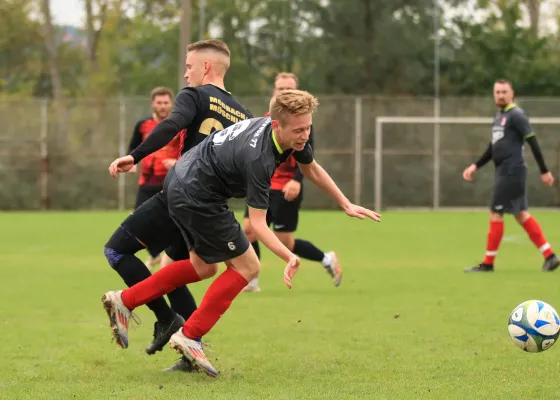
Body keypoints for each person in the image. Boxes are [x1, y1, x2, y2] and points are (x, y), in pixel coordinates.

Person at [101, 89, 381, 377]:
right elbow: (257, 225)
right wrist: (288, 256)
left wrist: (345, 203)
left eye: (308, 127)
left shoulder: (288, 135)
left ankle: (126, 300)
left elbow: (312, 169)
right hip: (198, 194)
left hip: (181, 183)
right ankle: (190, 336)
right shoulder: (259, 157)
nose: (305, 135)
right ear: (275, 124)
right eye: (299, 130)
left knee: (204, 266)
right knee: (248, 266)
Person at [103, 39, 253, 360]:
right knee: (183, 268)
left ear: (206, 67)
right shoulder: (244, 115)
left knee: (116, 251)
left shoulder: (195, 95)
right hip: (211, 206)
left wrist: (136, 155)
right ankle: (187, 344)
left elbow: (171, 125)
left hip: (182, 194)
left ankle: (163, 317)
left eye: (188, 66)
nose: (186, 75)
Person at [242, 72, 341, 293]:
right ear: (274, 92)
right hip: (264, 186)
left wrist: (297, 180)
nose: (284, 93)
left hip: (287, 188)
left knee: (284, 241)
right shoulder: (268, 120)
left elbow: (308, 158)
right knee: (248, 229)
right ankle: (252, 279)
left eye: (289, 89)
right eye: (280, 89)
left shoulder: (302, 123)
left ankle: (326, 258)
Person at [462, 79, 560, 273]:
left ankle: (488, 263)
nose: (500, 95)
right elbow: (493, 148)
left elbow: (533, 141)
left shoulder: (516, 115)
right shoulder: (499, 116)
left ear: (512, 93)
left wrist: (544, 170)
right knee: (521, 214)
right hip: (505, 171)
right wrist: (476, 165)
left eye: (504, 92)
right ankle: (550, 256)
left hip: (511, 170)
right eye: (497, 92)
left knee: (496, 213)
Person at [127, 86, 179, 270]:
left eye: (166, 102)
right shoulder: (143, 125)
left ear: (171, 103)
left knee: (172, 221)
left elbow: (190, 152)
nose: (163, 106)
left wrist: (176, 161)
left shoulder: (178, 125)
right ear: (153, 104)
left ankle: (169, 256)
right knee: (137, 220)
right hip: (147, 181)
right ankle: (156, 253)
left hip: (171, 182)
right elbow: (133, 147)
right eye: (159, 103)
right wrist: (131, 162)